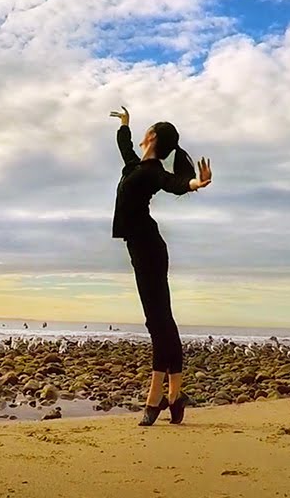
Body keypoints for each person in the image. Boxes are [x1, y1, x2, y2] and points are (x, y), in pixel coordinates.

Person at [109, 105, 212, 426]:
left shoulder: (152, 171)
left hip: (149, 248)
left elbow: (173, 183)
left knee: (158, 322)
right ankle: (175, 395)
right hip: (140, 247)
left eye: (143, 130)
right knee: (160, 321)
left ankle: (156, 398)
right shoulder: (135, 168)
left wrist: (196, 183)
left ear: (151, 136)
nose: (140, 135)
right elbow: (126, 149)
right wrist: (125, 125)